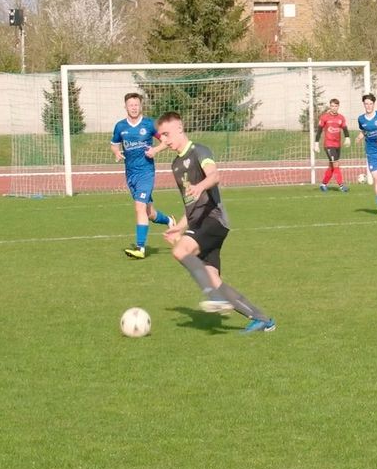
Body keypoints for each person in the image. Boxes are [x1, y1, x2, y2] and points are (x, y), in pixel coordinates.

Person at [154, 111, 275, 333]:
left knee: (180, 251)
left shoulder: (200, 150)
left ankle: (214, 297)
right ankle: (262, 319)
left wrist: (201, 186)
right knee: (213, 278)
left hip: (214, 220)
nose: (164, 140)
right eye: (161, 136)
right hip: (198, 224)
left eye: (166, 134)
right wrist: (180, 226)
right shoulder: (175, 165)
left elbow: (214, 175)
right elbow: (190, 204)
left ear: (179, 129)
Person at [111, 92, 173, 260]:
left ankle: (140, 248)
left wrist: (155, 150)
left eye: (136, 104)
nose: (133, 107)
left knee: (139, 207)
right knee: (149, 212)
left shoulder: (149, 124)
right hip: (130, 174)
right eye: (130, 105)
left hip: (146, 172)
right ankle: (169, 220)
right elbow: (114, 145)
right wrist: (117, 153)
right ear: (125, 107)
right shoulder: (120, 127)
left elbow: (166, 140)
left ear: (140, 106)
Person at [315, 98, 351, 192]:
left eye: (336, 106)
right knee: (336, 164)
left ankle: (323, 184)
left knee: (332, 166)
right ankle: (341, 186)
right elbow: (319, 131)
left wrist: (347, 137)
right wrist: (316, 143)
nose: (334, 108)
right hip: (328, 144)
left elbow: (345, 129)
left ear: (338, 107)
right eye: (332, 106)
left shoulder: (341, 118)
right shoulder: (324, 117)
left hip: (337, 145)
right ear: (330, 106)